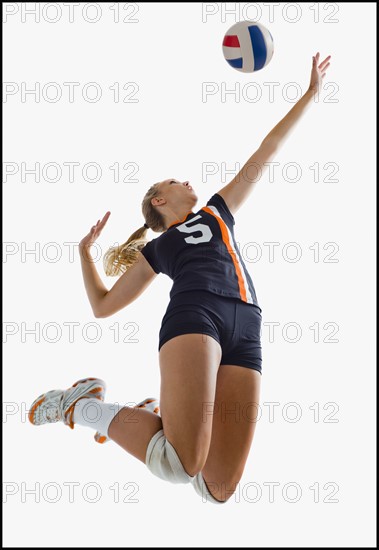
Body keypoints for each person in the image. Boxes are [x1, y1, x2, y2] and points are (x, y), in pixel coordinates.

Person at [29, 53, 331, 504]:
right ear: (158, 199)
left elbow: (265, 150)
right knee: (179, 463)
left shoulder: (216, 211)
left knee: (217, 488)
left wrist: (310, 96)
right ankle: (83, 405)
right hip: (197, 315)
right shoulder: (157, 249)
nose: (184, 180)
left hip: (249, 324)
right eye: (173, 180)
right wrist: (83, 255)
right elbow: (102, 306)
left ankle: (155, 417)